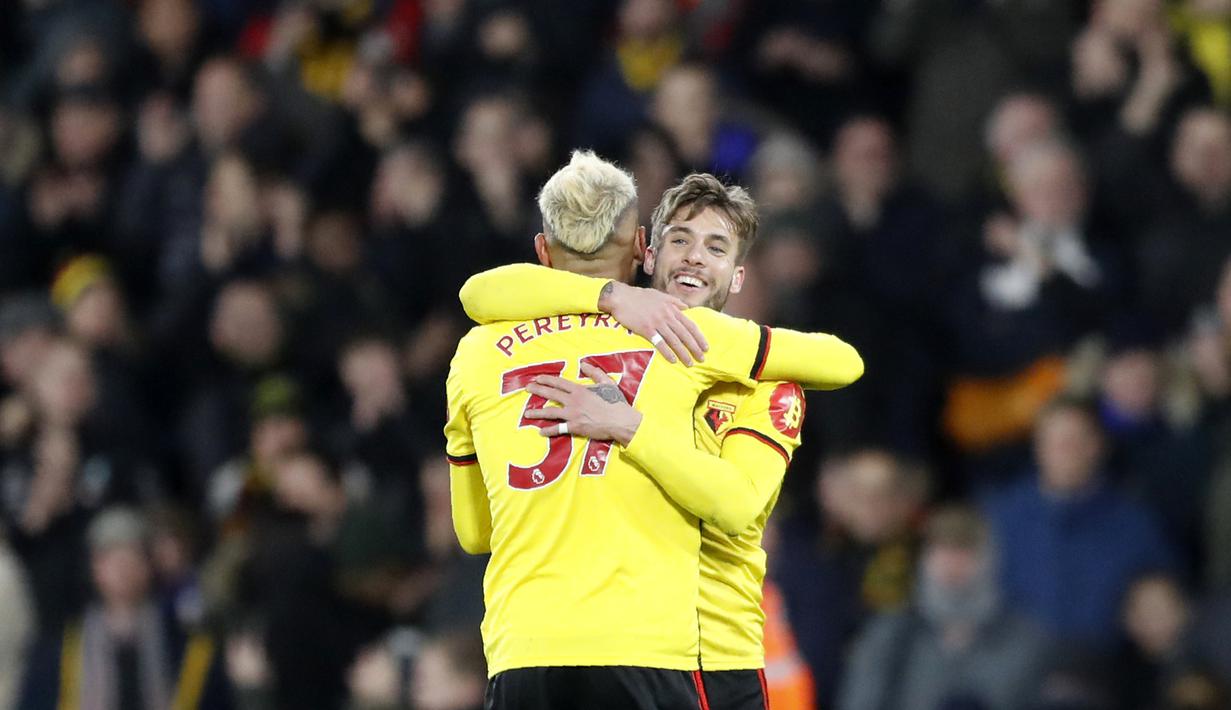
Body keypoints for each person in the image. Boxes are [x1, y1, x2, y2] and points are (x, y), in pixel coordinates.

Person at [444, 151, 862, 709]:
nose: (694, 258)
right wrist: (612, 297)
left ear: (739, 276)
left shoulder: (764, 379)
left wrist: (629, 427)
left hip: (717, 658)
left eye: (716, 247)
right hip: (654, 655)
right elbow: (481, 291)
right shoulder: (661, 335)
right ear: (648, 252)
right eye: (681, 240)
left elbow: (737, 505)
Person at [838, 505, 1051, 710]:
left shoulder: (1024, 640)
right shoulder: (890, 636)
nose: (952, 564)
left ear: (989, 558)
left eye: (965, 551)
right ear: (925, 558)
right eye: (942, 550)